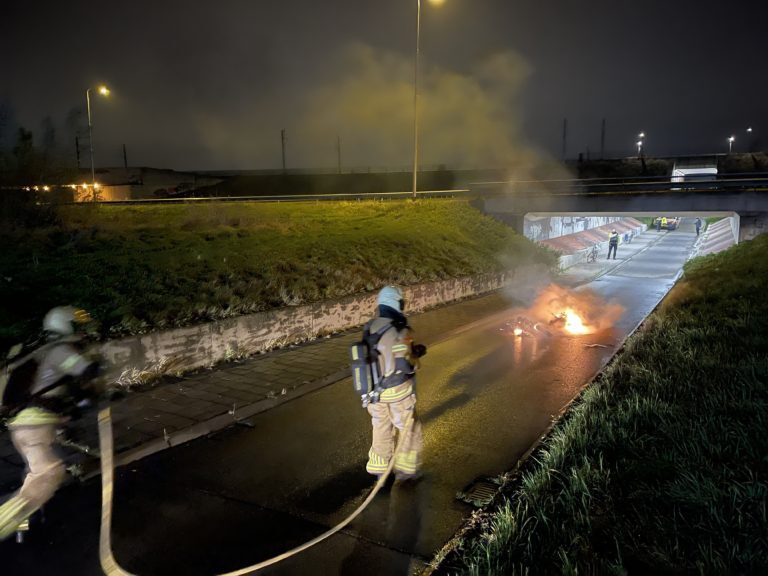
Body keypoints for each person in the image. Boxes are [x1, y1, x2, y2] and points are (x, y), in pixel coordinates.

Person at [0, 306, 102, 541]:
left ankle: (24, 525)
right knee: (49, 473)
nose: (83, 331)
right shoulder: (59, 351)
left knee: (37, 474)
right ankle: (10, 522)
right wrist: (99, 365)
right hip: (33, 426)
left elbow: (60, 395)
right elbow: (87, 371)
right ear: (67, 326)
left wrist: (78, 408)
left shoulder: (45, 352)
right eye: (78, 326)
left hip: (33, 424)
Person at [364, 286, 424, 482]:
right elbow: (406, 364)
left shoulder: (370, 327)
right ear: (397, 304)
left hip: (374, 393)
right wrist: (416, 356)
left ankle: (379, 469)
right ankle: (407, 470)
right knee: (408, 428)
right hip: (398, 392)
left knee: (381, 428)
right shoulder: (400, 329)